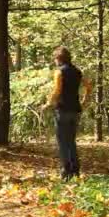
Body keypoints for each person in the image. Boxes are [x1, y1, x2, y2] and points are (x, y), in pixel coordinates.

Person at [41, 46, 92, 181]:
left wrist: (47, 104)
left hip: (62, 110)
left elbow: (57, 91)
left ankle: (66, 171)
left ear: (59, 59)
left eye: (55, 58)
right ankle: (75, 170)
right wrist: (84, 101)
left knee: (63, 141)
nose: (54, 61)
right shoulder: (78, 71)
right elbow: (89, 86)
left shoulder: (59, 72)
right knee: (71, 140)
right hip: (75, 110)